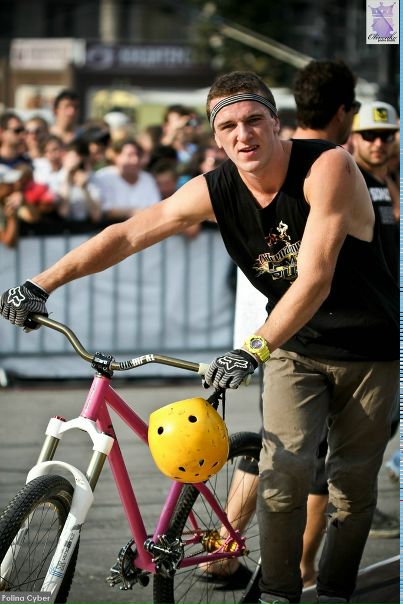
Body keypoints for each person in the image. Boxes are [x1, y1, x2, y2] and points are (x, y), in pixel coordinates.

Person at [0, 71, 398, 604]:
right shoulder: (216, 188)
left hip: (367, 349)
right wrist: (40, 283)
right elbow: (127, 235)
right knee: (283, 477)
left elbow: (315, 279)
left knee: (350, 487)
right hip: (295, 348)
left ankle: (334, 592)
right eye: (228, 126)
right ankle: (278, 595)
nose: (243, 134)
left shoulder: (327, 166)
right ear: (216, 138)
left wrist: (252, 348)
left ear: (276, 123)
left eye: (254, 120)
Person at [93, 138, 160, 220]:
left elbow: (155, 208)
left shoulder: (148, 179)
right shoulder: (103, 177)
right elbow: (106, 210)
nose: (135, 160)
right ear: (116, 156)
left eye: (138, 155)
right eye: (129, 155)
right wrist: (134, 212)